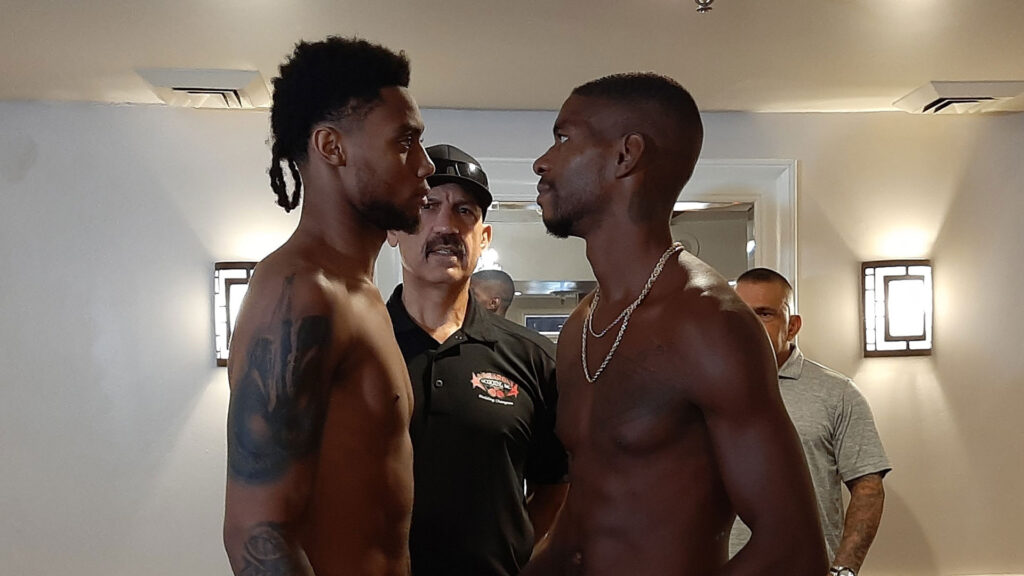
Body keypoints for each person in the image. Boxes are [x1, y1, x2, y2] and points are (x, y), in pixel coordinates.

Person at [523, 72, 828, 575]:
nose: (542, 161)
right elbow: (579, 528)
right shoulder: (583, 326)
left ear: (626, 155)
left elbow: (793, 550)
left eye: (563, 138)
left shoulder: (709, 322)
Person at [222, 37, 434, 576]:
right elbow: (255, 532)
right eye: (405, 142)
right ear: (332, 147)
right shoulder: (300, 293)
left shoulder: (359, 292)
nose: (426, 166)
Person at [385, 143, 570, 576]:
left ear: (483, 238)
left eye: (464, 211)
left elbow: (555, 488)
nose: (445, 225)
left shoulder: (535, 359)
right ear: (394, 228)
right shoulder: (356, 347)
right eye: (428, 205)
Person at [731, 267, 891, 576]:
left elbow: (868, 488)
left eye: (764, 314)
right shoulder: (708, 391)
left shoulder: (837, 393)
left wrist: (843, 570)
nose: (749, 325)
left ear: (792, 326)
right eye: (741, 314)